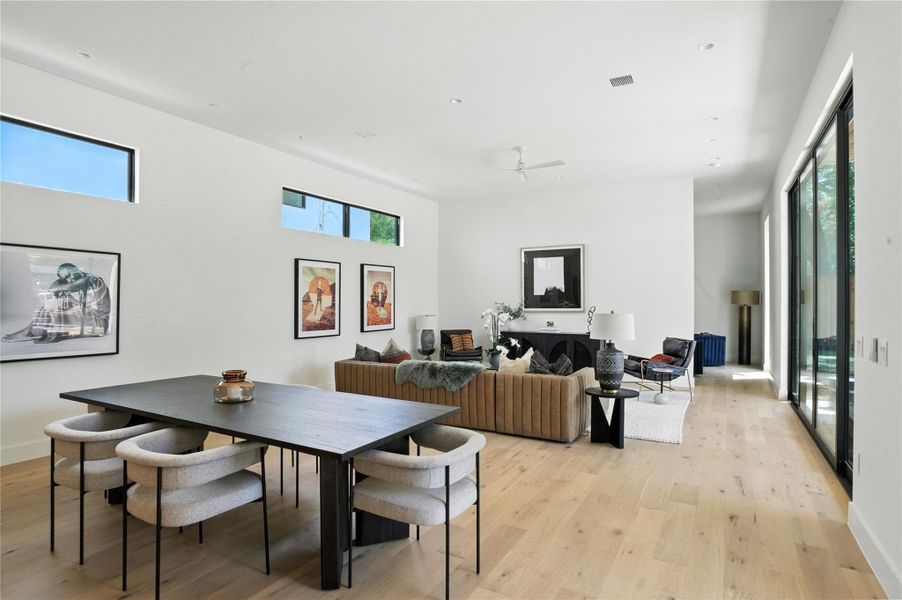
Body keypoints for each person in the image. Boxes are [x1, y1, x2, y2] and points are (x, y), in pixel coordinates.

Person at [2, 263, 111, 344]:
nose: (70, 279)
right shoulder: (75, 280)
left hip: (98, 325)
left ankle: (31, 331)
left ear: (75, 269)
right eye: (65, 278)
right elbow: (53, 290)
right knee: (55, 299)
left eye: (69, 274)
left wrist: (61, 285)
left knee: (59, 300)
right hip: (87, 317)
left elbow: (68, 287)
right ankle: (33, 329)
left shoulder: (93, 279)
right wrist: (60, 284)